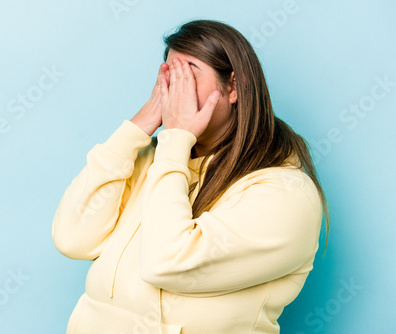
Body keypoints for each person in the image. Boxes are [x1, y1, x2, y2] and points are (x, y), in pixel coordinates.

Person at [52, 19, 330, 334]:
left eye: (189, 77)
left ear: (234, 87)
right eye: (171, 79)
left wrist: (174, 140)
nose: (176, 94)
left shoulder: (286, 194)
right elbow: (72, 239)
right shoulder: (151, 161)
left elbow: (166, 263)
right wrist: (137, 128)